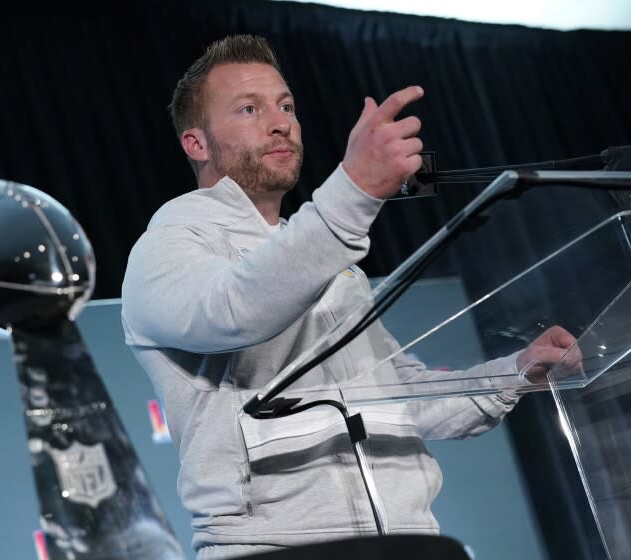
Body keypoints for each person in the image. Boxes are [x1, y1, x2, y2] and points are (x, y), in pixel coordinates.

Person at [121, 35, 577, 559]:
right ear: (196, 143)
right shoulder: (168, 246)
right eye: (249, 108)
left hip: (407, 543)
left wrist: (516, 371)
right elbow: (236, 308)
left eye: (286, 106)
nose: (280, 122)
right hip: (272, 550)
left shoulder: (327, 262)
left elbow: (401, 394)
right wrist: (354, 190)